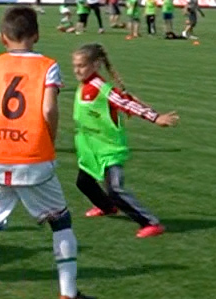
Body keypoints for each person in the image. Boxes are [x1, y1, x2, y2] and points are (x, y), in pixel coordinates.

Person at [0, 5, 96, 299]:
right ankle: (68, 294)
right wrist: (50, 137)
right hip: (33, 157)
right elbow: (48, 110)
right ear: (36, 35)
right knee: (60, 221)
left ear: (3, 37)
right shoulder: (48, 66)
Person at [71, 44, 178, 238]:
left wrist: (155, 118)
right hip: (92, 149)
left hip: (109, 149)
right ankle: (107, 207)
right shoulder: (84, 86)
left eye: (82, 65)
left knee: (115, 190)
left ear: (96, 65)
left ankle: (150, 223)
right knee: (84, 183)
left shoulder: (101, 88)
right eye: (75, 66)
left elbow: (126, 103)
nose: (77, 70)